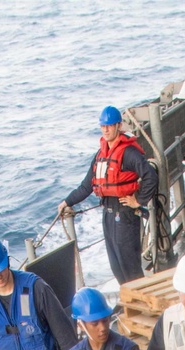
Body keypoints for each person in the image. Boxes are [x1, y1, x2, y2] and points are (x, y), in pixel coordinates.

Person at [59, 106, 158, 286]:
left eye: (110, 126)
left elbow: (151, 176)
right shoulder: (101, 155)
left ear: (118, 126)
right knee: (116, 266)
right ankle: (130, 303)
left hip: (126, 215)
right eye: (103, 126)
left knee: (130, 268)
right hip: (109, 216)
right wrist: (67, 201)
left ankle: (143, 304)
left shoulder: (129, 153)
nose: (106, 129)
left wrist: (138, 201)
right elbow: (87, 185)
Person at [66, 287, 142, 350]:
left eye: (105, 321)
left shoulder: (127, 349)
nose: (102, 328)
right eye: (95, 323)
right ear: (81, 326)